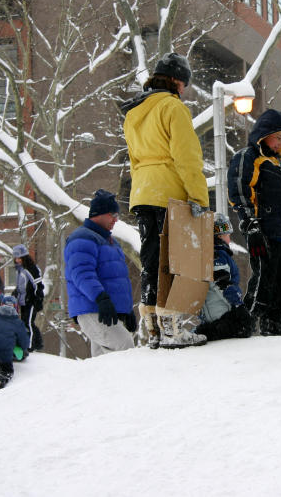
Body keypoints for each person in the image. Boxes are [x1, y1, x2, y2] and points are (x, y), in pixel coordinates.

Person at [120, 52, 209, 348]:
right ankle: (172, 328)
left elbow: (134, 161)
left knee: (151, 261)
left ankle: (154, 329)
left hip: (142, 193)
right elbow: (186, 157)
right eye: (183, 83)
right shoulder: (172, 108)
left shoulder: (134, 113)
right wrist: (198, 196)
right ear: (175, 81)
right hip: (169, 193)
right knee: (172, 262)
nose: (183, 90)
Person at [228, 108, 281, 336]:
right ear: (264, 134)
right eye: (277, 138)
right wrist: (250, 225)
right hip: (263, 232)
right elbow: (240, 191)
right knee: (263, 281)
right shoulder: (249, 157)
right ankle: (245, 325)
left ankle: (275, 329)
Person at [64, 189, 137, 356]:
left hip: (105, 311)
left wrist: (127, 310)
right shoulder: (82, 238)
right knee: (124, 347)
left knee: (103, 361)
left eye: (117, 216)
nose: (115, 220)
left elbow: (117, 279)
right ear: (99, 213)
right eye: (112, 215)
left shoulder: (111, 241)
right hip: (93, 308)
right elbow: (81, 273)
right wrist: (101, 298)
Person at [194, 213, 253, 342]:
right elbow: (222, 283)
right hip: (220, 312)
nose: (229, 238)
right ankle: (211, 330)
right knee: (246, 327)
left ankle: (207, 329)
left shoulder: (206, 254)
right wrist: (238, 305)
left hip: (211, 311)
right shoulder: (217, 255)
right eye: (227, 235)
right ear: (219, 235)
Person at [11, 244, 45, 352]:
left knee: (28, 322)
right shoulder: (20, 270)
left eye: (19, 258)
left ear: (24, 257)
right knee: (25, 322)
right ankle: (37, 343)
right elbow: (21, 285)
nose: (17, 260)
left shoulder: (31, 269)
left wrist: (38, 299)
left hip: (31, 300)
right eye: (16, 258)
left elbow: (38, 285)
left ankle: (29, 345)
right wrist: (16, 292)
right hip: (23, 301)